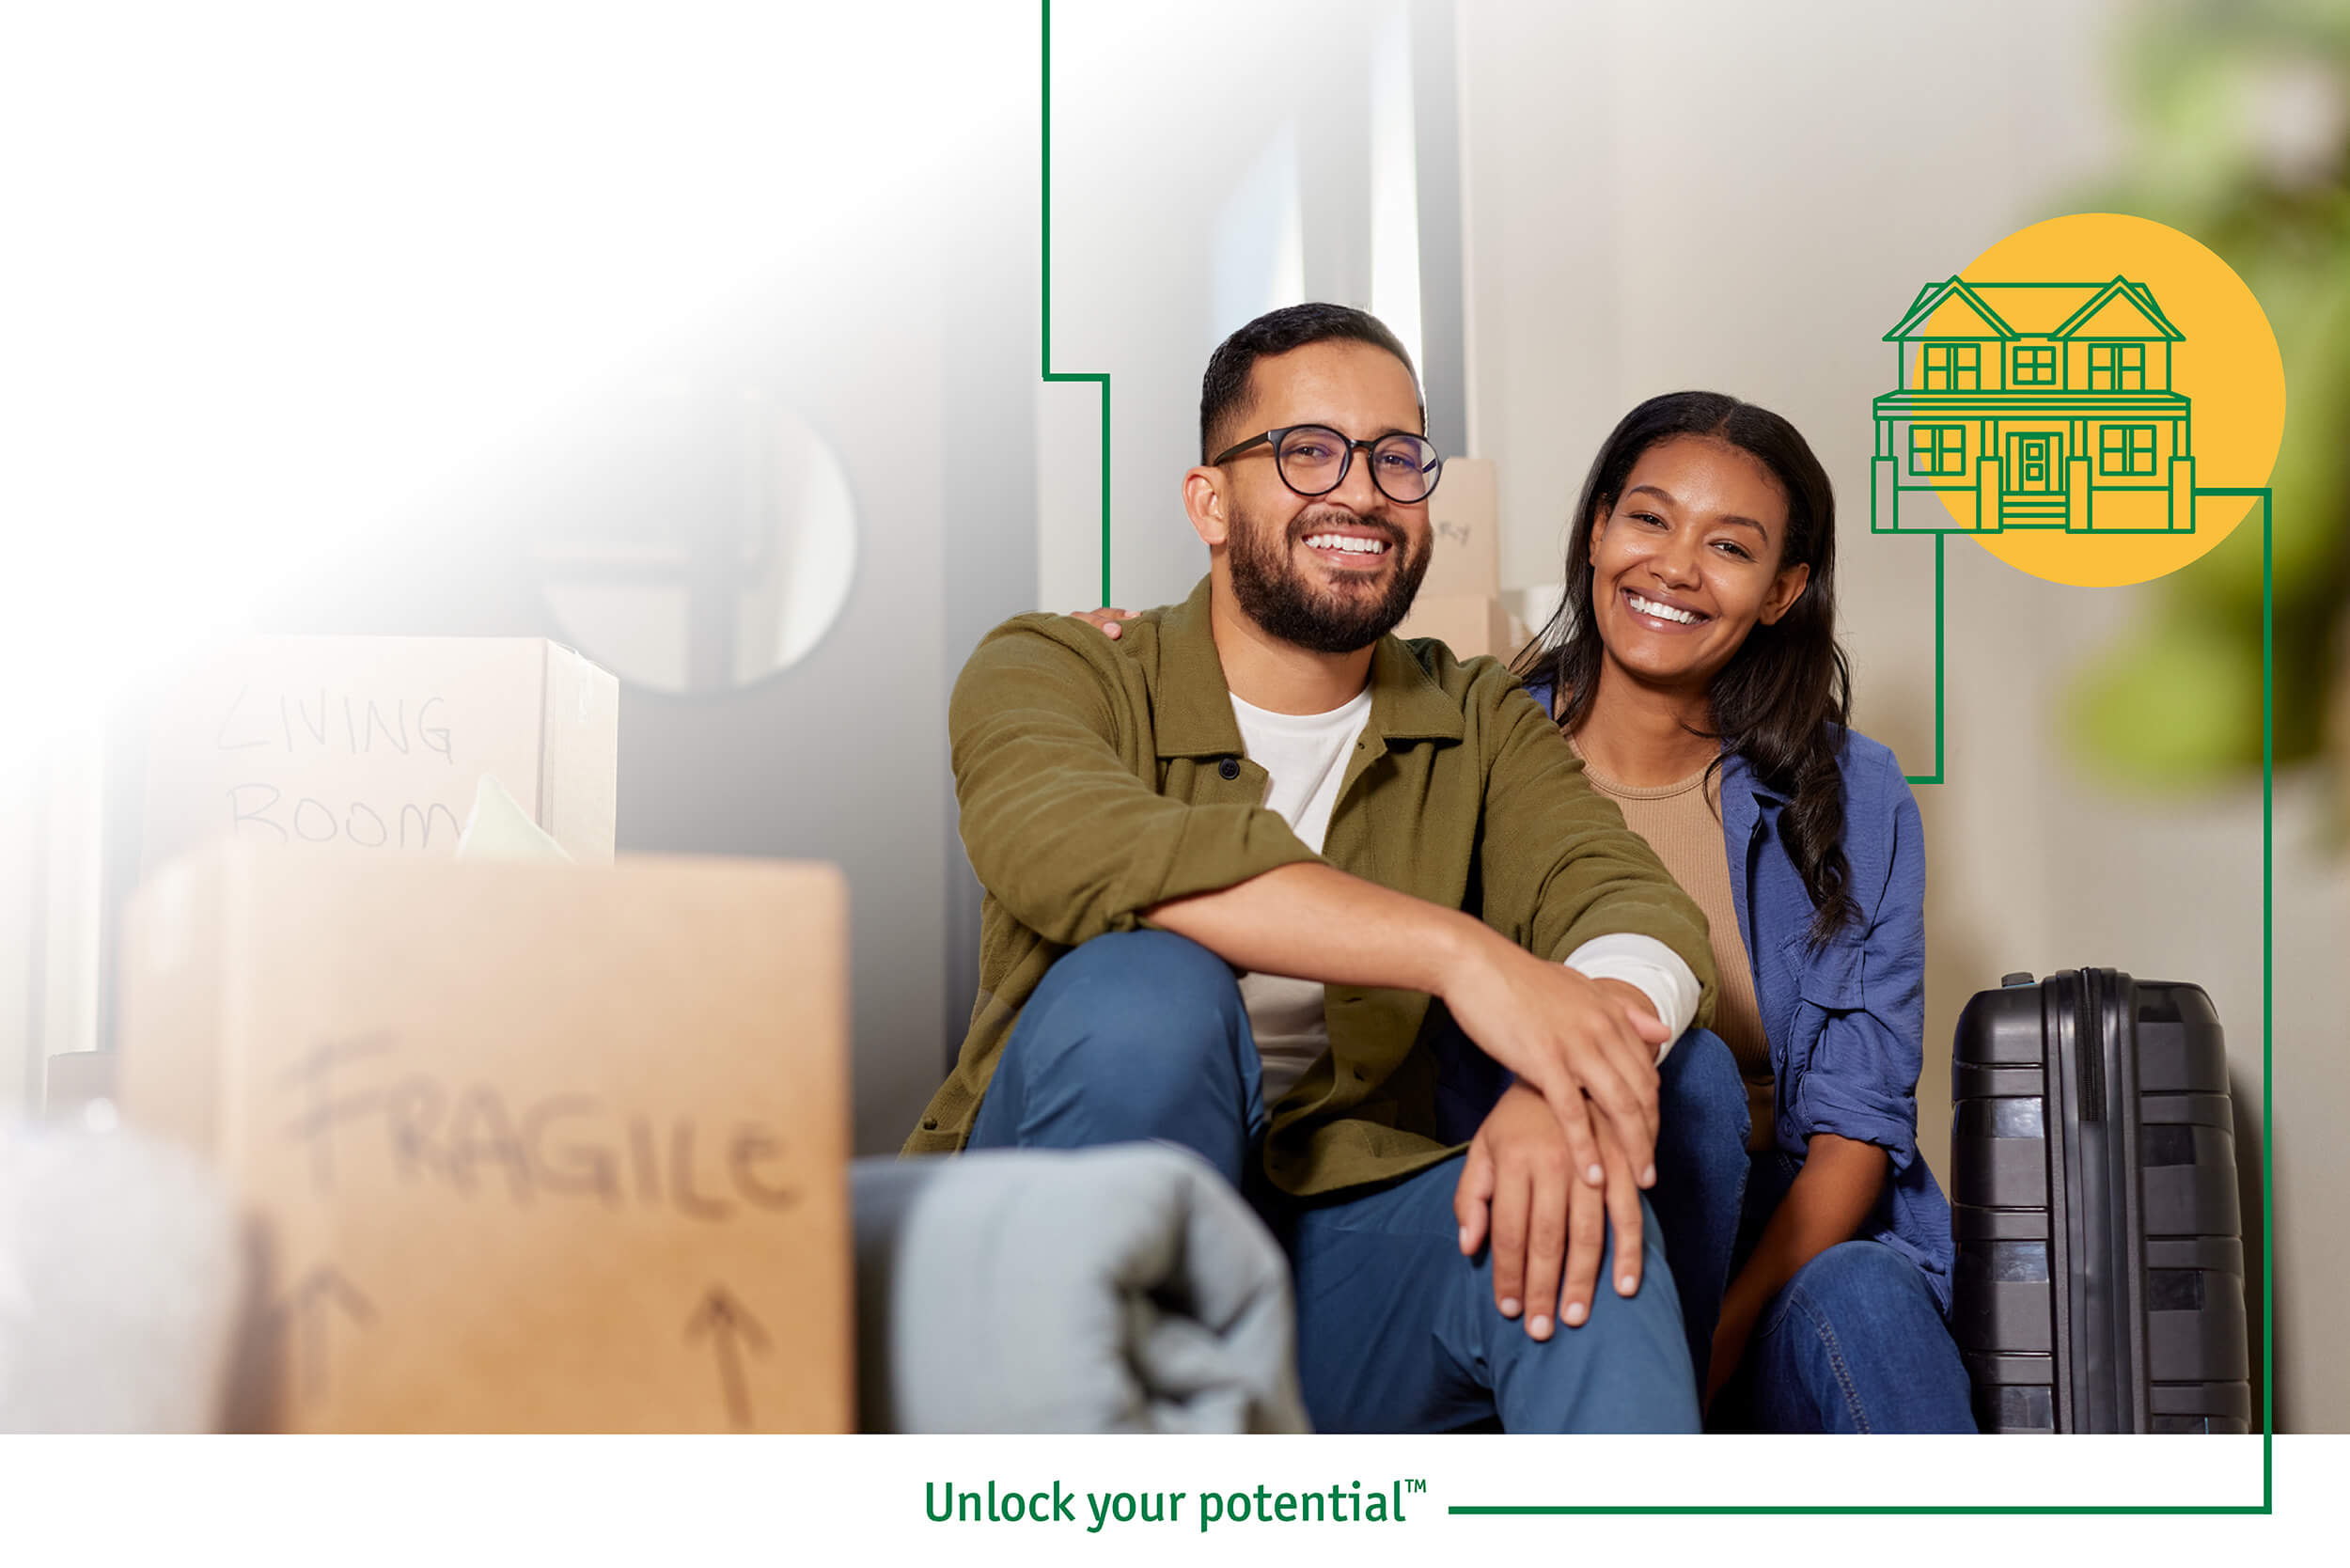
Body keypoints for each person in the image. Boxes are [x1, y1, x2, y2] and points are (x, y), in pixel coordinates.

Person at [908, 302, 1747, 1434]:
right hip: (1043, 1251)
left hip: (1329, 1246)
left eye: (1397, 458)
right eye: (1307, 451)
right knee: (1147, 992)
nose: (1359, 491)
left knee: (1569, 1229)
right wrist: (1460, 955)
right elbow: (1073, 846)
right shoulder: (1058, 666)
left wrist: (1570, 1074)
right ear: (1210, 500)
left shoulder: (1473, 712)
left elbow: (1625, 897)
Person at [1511, 391, 1973, 1433]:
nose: (1675, 566)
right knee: (1693, 1077)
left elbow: (1858, 1127)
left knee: (1866, 1298)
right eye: (1648, 518)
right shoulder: (1482, 747)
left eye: (1729, 545)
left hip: (1782, 1244)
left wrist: (1710, 1345)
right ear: (1595, 531)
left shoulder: (1853, 790)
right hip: (1570, 1217)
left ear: (1781, 591)